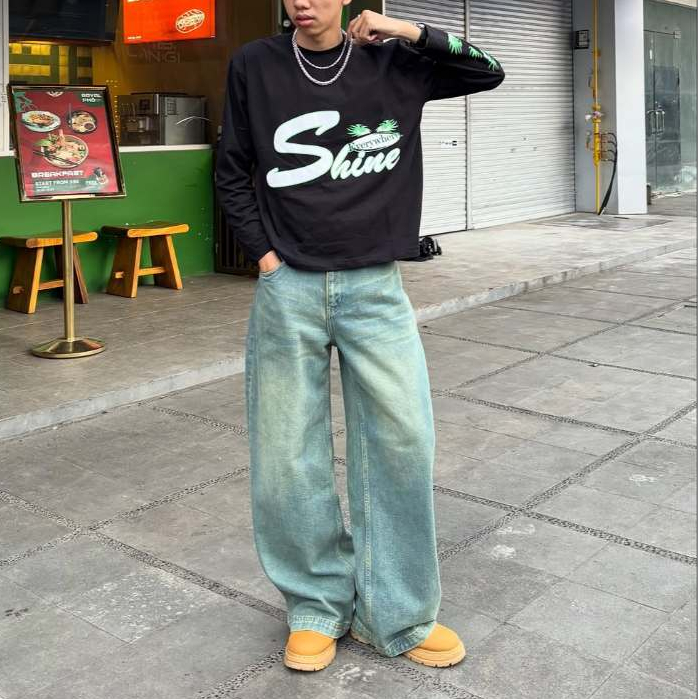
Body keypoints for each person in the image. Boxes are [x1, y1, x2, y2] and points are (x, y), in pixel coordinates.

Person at [215, 0, 505, 672]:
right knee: (287, 452)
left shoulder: (395, 62)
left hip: (375, 287)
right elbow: (232, 168)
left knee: (401, 441)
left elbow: (488, 70)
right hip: (288, 286)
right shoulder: (255, 64)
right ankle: (315, 604)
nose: (302, 2)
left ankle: (397, 612)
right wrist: (264, 257)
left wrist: (406, 29)